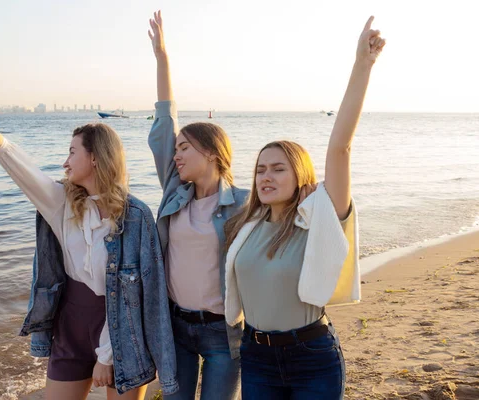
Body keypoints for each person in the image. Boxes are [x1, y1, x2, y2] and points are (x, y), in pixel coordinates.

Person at [0, 95, 178, 400]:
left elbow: (142, 292)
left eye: (72, 152)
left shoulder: (135, 216)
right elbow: (22, 170)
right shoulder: (62, 204)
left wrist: (106, 356)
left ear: (95, 157)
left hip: (124, 333)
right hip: (70, 328)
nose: (65, 162)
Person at [223, 16, 386, 399]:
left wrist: (362, 65)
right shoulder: (246, 226)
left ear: (300, 176)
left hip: (311, 355)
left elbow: (340, 147)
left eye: (278, 169)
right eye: (261, 169)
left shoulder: (320, 219)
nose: (266, 176)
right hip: (256, 355)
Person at [147, 10, 247, 400]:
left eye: (185, 148)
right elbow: (163, 125)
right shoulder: (176, 192)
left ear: (210, 152)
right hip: (176, 326)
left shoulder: (242, 205)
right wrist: (162, 58)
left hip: (223, 331)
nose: (176, 155)